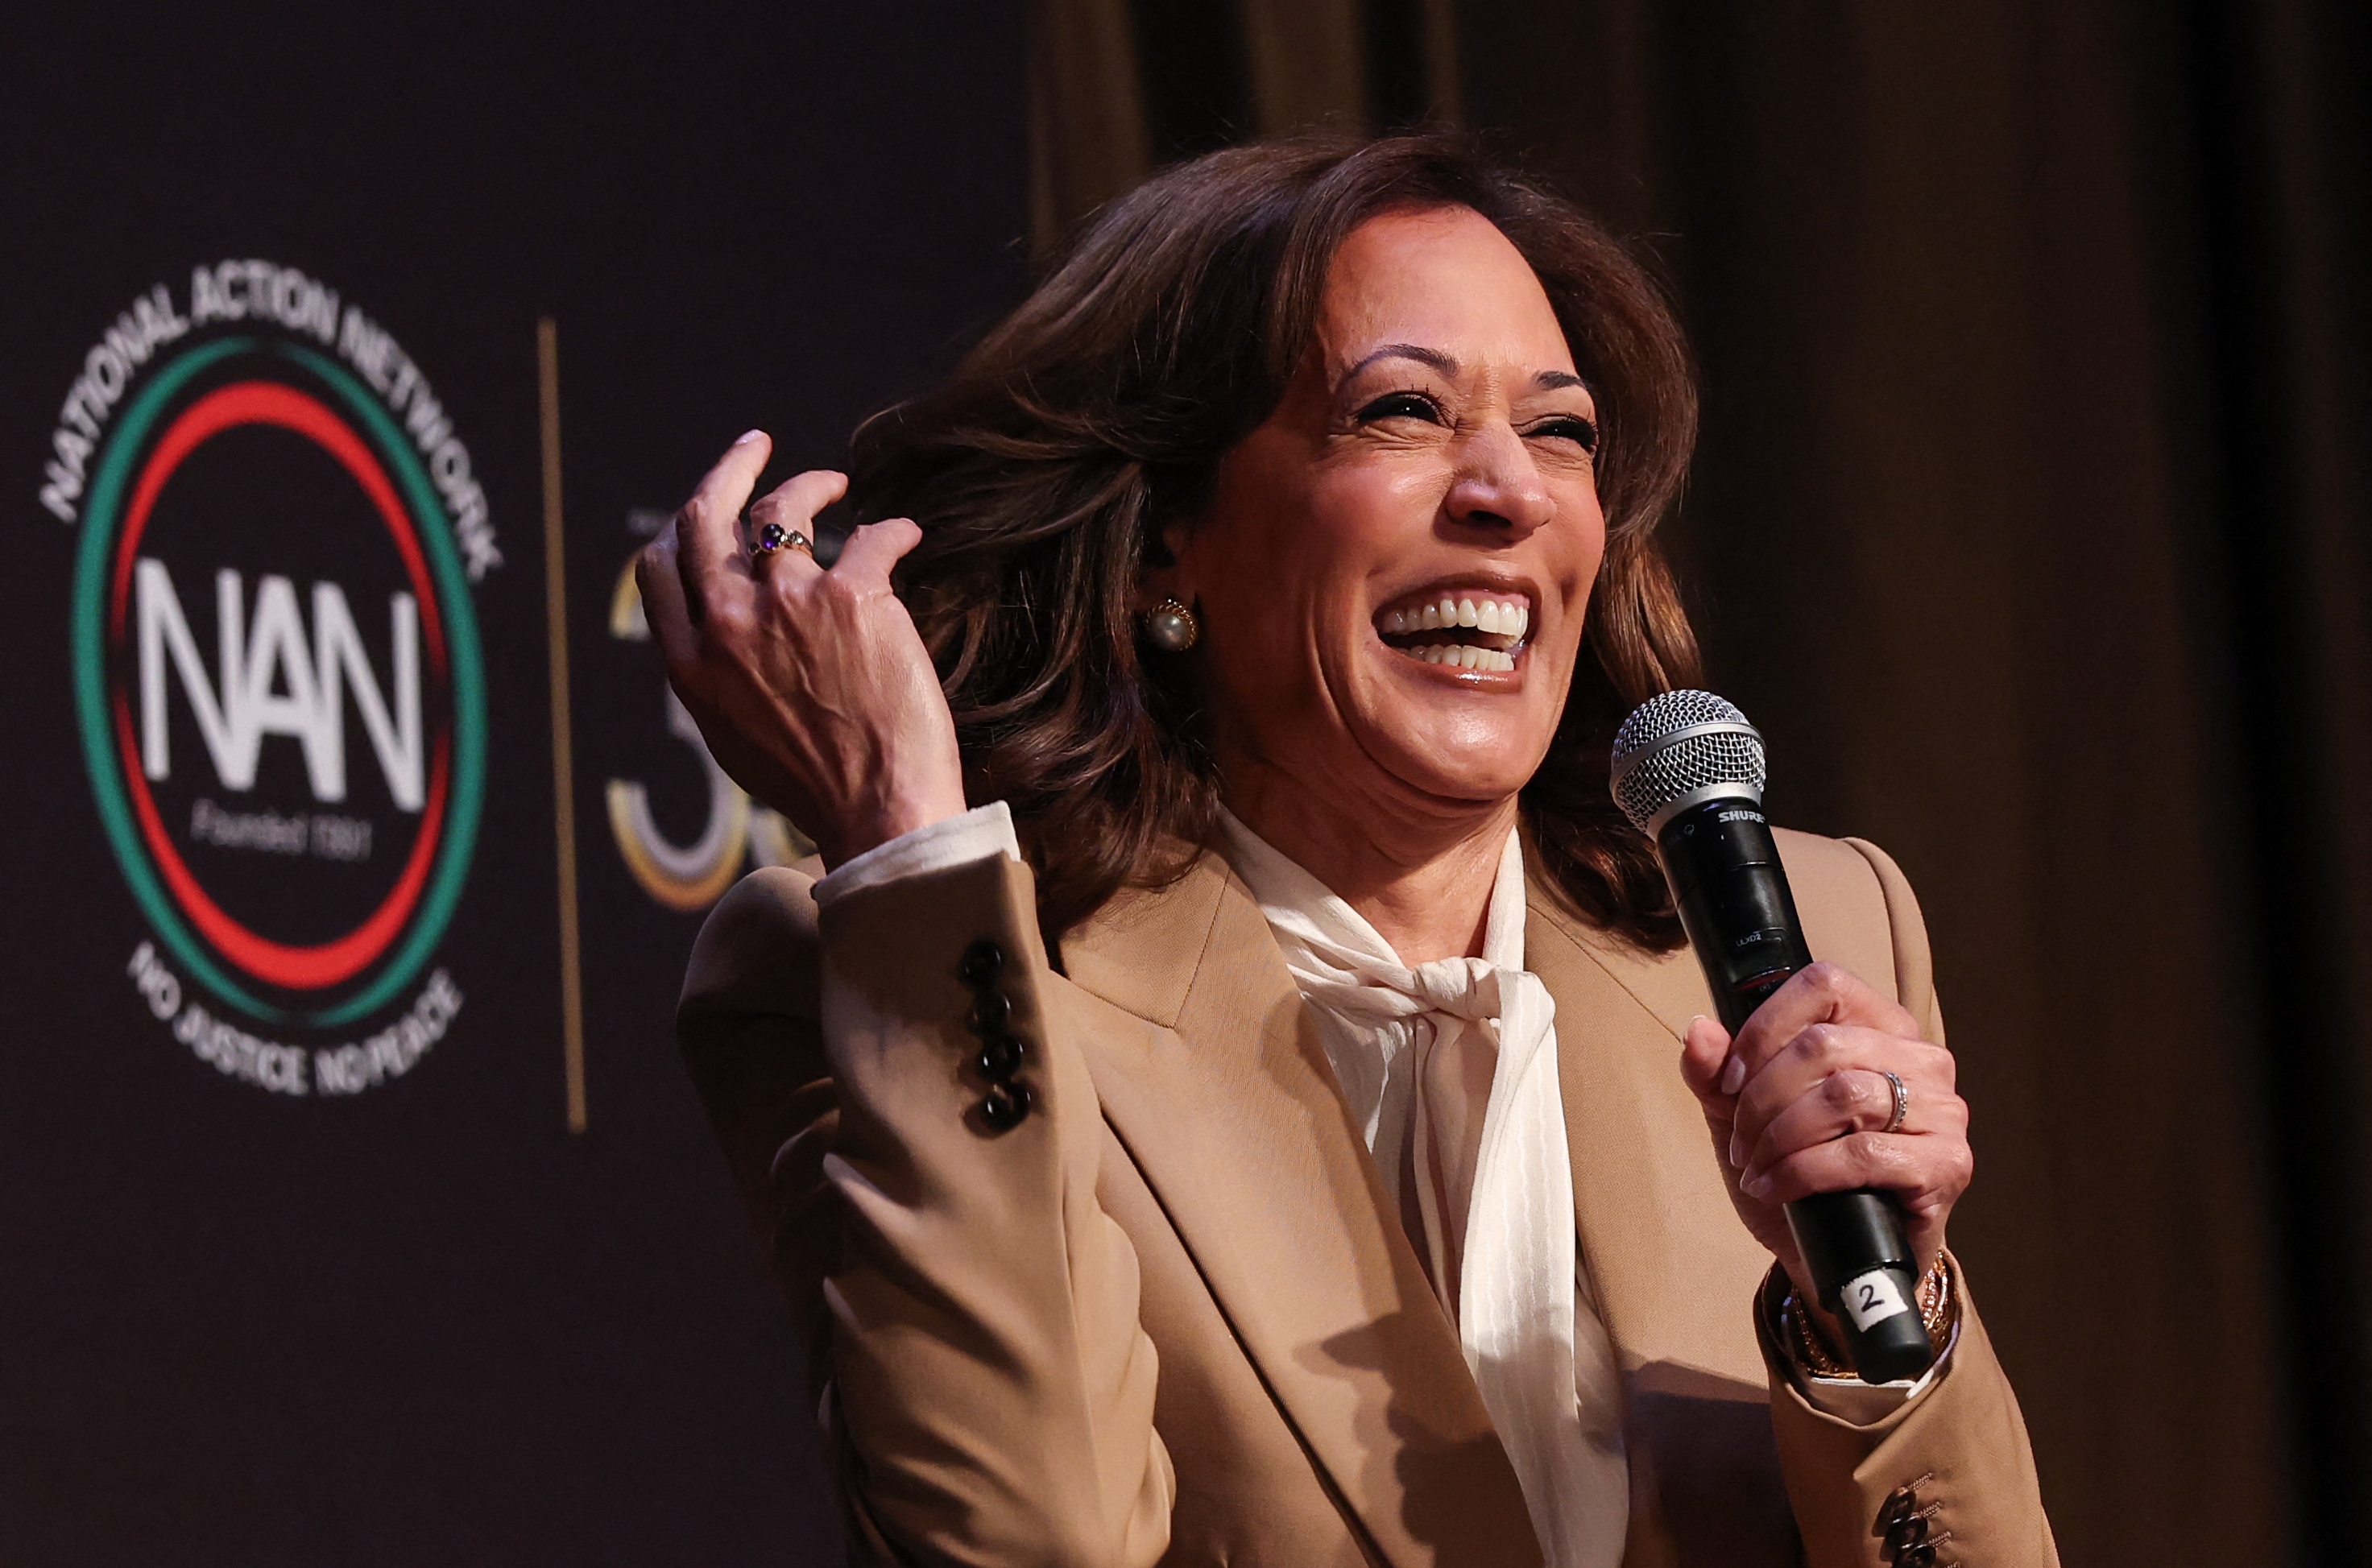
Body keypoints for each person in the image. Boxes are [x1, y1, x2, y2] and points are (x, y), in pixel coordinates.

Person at [641, 135, 2055, 1567]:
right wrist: (906, 844)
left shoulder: (1810, 932)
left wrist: (1873, 1327)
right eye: (1399, 414)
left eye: (1560, 432)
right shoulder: (906, 979)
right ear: (1161, 543)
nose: (1506, 491)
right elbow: (1027, 1541)